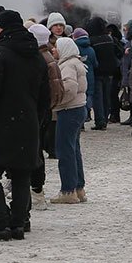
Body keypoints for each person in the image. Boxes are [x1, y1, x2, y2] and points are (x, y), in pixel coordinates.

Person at [0, 10, 50, 241]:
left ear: (3, 28)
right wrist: (37, 119)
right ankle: (18, 224)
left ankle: (0, 223)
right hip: (28, 123)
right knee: (21, 174)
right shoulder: (36, 55)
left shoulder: (0, 54)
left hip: (0, 123)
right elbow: (45, 95)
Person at [48, 36, 89, 206]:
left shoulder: (67, 65)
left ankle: (68, 190)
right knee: (73, 149)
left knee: (64, 150)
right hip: (78, 109)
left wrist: (55, 102)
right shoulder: (75, 62)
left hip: (69, 110)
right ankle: (78, 188)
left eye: (56, 47)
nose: (53, 50)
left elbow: (70, 88)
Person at [28, 23, 61, 209]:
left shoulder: (42, 59)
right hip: (44, 110)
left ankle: (37, 192)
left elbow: (54, 89)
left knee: (36, 152)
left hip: (39, 111)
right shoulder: (48, 57)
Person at [87, 17, 120, 131]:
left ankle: (100, 121)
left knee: (98, 97)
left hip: (97, 72)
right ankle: (105, 118)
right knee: (106, 97)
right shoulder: (109, 39)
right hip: (109, 71)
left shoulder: (91, 40)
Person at [72, 28, 98, 126]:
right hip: (90, 75)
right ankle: (87, 113)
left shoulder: (75, 48)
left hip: (78, 75)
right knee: (89, 95)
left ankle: (81, 123)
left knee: (79, 98)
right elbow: (95, 64)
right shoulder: (91, 49)